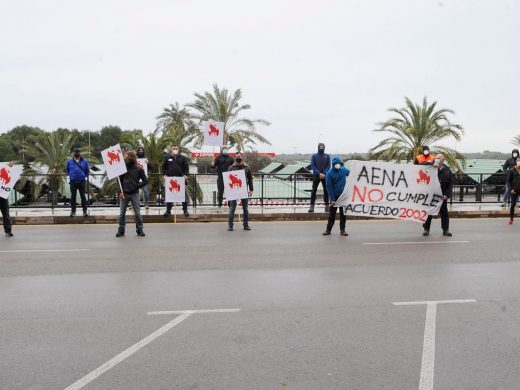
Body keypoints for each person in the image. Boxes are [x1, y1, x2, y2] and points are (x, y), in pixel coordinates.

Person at [116, 151, 148, 237]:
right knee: (122, 213)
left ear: (132, 157)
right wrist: (120, 191)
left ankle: (139, 230)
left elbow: (145, 181)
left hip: (135, 193)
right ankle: (121, 230)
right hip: (124, 194)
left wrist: (137, 186)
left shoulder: (139, 169)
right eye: (125, 157)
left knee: (137, 213)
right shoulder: (122, 169)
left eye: (127, 157)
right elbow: (119, 181)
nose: (125, 159)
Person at [423, 153, 453, 237]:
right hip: (431, 196)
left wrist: (447, 195)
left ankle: (445, 230)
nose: (437, 159)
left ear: (443, 160)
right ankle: (426, 229)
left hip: (442, 197)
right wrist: (432, 163)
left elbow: (450, 185)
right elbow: (421, 165)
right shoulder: (431, 167)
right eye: (436, 158)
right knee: (429, 213)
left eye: (439, 158)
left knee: (444, 213)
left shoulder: (448, 171)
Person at [323, 157, 350, 236]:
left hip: (343, 196)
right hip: (334, 197)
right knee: (332, 215)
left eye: (339, 163)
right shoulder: (329, 174)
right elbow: (329, 187)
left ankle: (343, 230)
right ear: (333, 165)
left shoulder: (344, 170)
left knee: (343, 214)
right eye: (336, 164)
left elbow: (352, 174)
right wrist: (332, 199)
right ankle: (328, 230)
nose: (338, 165)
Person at [227, 152, 253, 231]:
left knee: (245, 209)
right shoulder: (231, 168)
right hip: (234, 190)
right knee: (232, 208)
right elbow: (227, 180)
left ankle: (246, 224)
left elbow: (250, 179)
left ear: (242, 157)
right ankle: (230, 225)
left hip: (244, 190)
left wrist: (251, 189)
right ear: (235, 157)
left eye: (239, 156)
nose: (238, 157)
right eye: (237, 156)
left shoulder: (247, 167)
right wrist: (228, 192)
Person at [162, 145, 189, 217]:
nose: (175, 150)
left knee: (183, 195)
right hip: (170, 179)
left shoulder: (183, 158)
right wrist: (164, 175)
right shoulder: (167, 157)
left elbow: (186, 167)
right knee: (169, 196)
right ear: (171, 149)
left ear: (178, 149)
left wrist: (186, 175)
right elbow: (163, 167)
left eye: (176, 148)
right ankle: (168, 211)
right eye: (173, 148)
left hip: (181, 179)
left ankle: (185, 210)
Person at [65, 148, 90, 217]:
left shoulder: (84, 161)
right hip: (73, 181)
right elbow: (67, 169)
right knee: (73, 197)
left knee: (83, 196)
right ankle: (73, 211)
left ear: (79, 153)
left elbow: (87, 171)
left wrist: (83, 176)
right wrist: (71, 175)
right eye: (75, 153)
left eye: (77, 152)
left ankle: (84, 211)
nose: (76, 154)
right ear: (73, 153)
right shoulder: (69, 161)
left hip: (81, 181)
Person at [211, 146, 234, 213]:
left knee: (229, 193)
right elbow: (213, 167)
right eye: (224, 149)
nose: (225, 150)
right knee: (220, 192)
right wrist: (212, 165)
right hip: (221, 177)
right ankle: (219, 206)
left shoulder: (231, 158)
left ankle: (230, 206)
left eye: (226, 148)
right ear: (221, 150)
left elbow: (234, 167)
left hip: (229, 178)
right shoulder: (218, 158)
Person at [309, 143, 331, 213]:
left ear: (324, 148)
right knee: (314, 191)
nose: (321, 149)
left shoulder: (327, 156)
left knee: (326, 190)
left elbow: (328, 165)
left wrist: (324, 173)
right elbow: (313, 166)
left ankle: (327, 205)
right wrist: (319, 173)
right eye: (320, 148)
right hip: (316, 175)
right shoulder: (314, 156)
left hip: (325, 176)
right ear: (318, 148)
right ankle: (312, 206)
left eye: (323, 148)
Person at [1, 161, 15, 237]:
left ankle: (8, 231)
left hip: (3, 195)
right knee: (6, 213)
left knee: (6, 213)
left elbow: (7, 171)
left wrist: (10, 166)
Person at [506, 155, 520, 224]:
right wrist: (510, 189)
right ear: (516, 162)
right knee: (513, 204)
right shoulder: (512, 170)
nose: (519, 162)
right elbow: (508, 180)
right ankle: (511, 219)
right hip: (514, 189)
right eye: (518, 161)